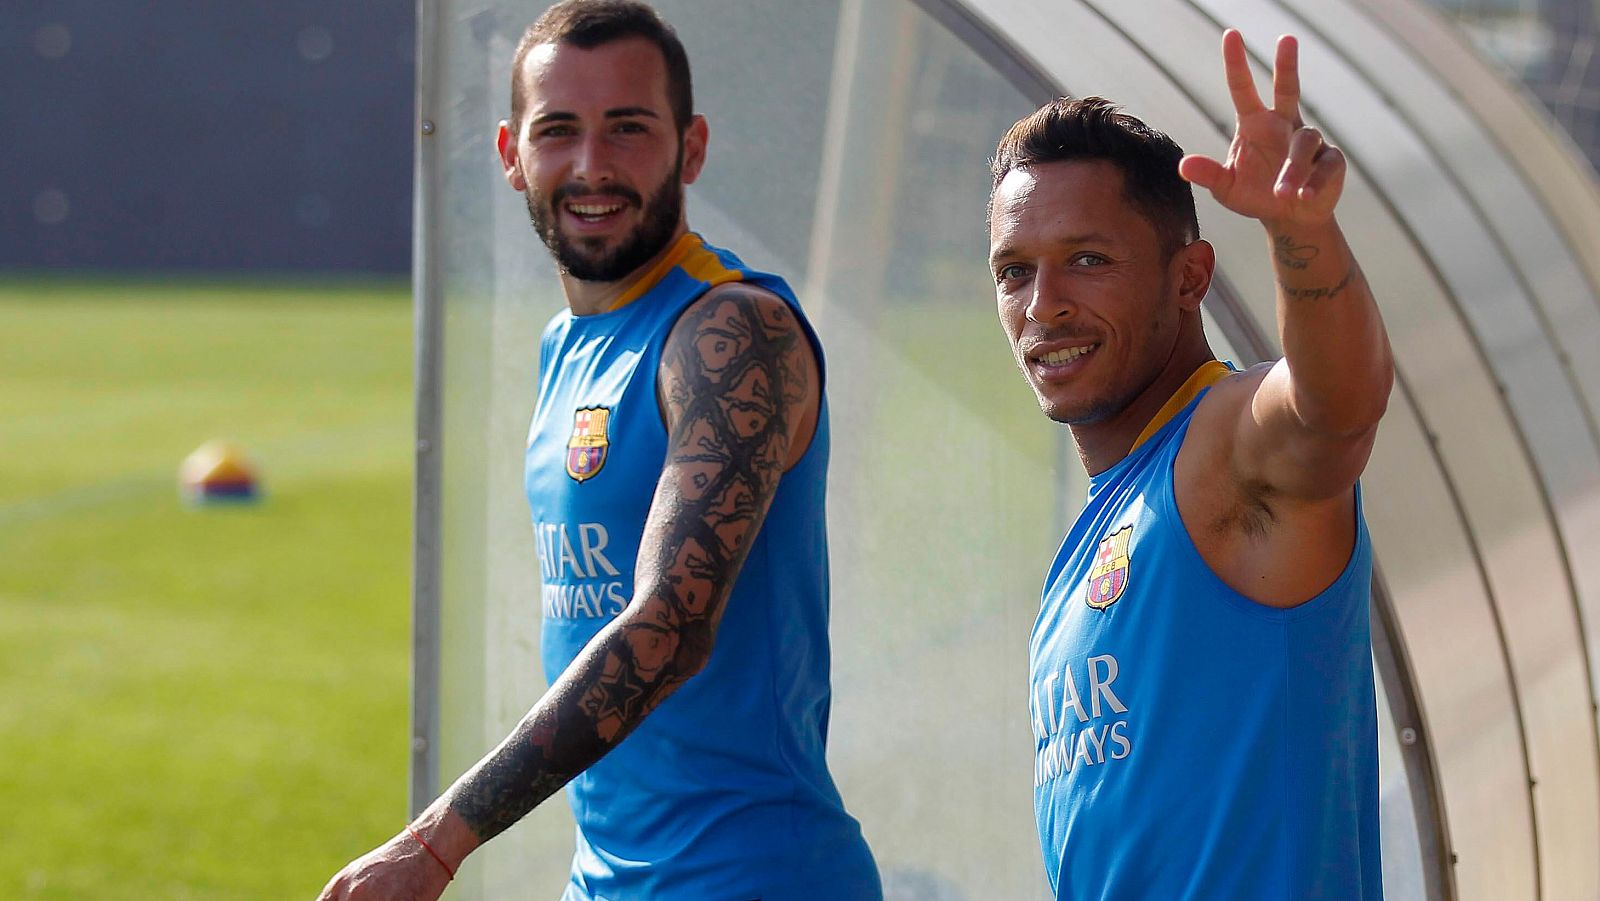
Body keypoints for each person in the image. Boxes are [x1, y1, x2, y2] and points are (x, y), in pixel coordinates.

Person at [317, 2, 880, 899]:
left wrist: (437, 840)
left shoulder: (729, 330)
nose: (592, 166)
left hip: (751, 876)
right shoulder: (565, 345)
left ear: (691, 148)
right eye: (559, 131)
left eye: (628, 129)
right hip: (611, 880)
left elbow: (671, 625)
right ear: (511, 155)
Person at [986, 30, 1392, 899]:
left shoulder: (1220, 446)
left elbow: (1332, 409)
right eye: (1015, 271)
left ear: (1190, 276)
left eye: (1087, 260)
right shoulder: (1105, 518)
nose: (1043, 305)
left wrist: (1302, 236)